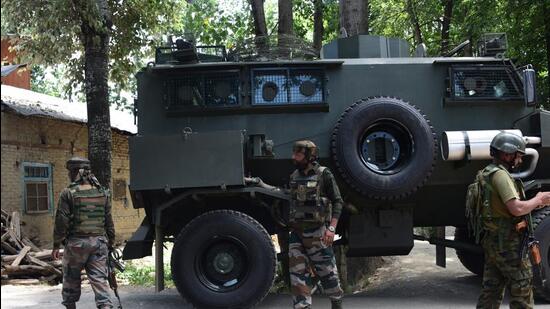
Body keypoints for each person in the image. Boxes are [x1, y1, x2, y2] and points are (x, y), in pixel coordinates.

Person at [476, 132, 550, 309]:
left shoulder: (486, 173)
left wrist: (534, 205)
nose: (520, 160)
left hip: (494, 242)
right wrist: (539, 199)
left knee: (491, 293)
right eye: (518, 155)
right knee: (522, 293)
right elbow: (515, 208)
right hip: (509, 245)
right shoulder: (501, 176)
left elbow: (500, 208)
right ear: (507, 154)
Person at [52, 157, 115, 309]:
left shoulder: (68, 193)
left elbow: (62, 221)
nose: (68, 175)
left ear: (74, 172)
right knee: (100, 280)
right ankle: (105, 306)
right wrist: (111, 241)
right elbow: (109, 220)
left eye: (69, 172)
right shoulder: (103, 192)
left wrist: (56, 244)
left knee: (71, 280)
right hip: (99, 243)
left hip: (76, 245)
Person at [287, 140, 344, 309]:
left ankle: (336, 302)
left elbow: (338, 201)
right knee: (297, 276)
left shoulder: (324, 174)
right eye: (294, 153)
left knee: (328, 274)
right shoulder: (294, 176)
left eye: (298, 154)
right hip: (297, 234)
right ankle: (302, 306)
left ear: (310, 156)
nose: (294, 157)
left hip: (318, 233)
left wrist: (331, 229)